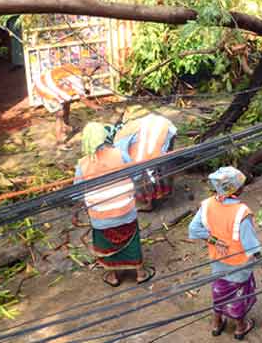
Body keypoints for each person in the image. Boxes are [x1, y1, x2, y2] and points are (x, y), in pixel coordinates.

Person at [74, 122, 154, 288]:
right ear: (104, 136)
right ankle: (140, 273)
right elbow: (137, 175)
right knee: (132, 240)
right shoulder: (119, 154)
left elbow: (76, 192)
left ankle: (113, 275)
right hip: (126, 211)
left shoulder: (82, 164)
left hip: (100, 217)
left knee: (106, 244)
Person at [188, 167, 262, 341]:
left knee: (219, 290)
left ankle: (216, 324)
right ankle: (240, 327)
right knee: (239, 295)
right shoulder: (242, 211)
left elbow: (193, 228)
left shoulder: (206, 205)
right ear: (236, 189)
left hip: (217, 260)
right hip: (239, 265)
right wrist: (261, 258)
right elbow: (250, 243)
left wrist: (213, 240)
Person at [115, 113, 178, 211]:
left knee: (145, 169)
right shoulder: (126, 134)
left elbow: (135, 169)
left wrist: (137, 178)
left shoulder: (120, 142)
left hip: (161, 133)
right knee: (159, 165)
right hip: (165, 128)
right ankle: (164, 191)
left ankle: (150, 202)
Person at [34, 63, 102, 141]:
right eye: (93, 70)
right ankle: (59, 141)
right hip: (44, 90)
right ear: (86, 69)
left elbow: (71, 85)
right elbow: (83, 99)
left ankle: (67, 126)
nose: (94, 73)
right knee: (60, 113)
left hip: (47, 84)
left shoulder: (74, 68)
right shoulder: (76, 77)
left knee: (67, 102)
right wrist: (95, 107)